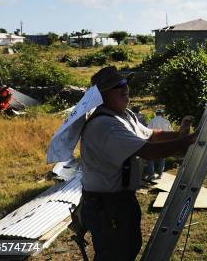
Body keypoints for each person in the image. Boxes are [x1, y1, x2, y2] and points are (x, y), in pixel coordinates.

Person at [80, 66, 197, 260]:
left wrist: (180, 134)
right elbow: (148, 152)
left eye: (126, 83)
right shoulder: (104, 125)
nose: (125, 88)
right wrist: (190, 140)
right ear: (102, 95)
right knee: (115, 255)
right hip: (106, 206)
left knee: (128, 248)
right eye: (118, 85)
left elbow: (152, 136)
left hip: (120, 201)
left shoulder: (125, 116)